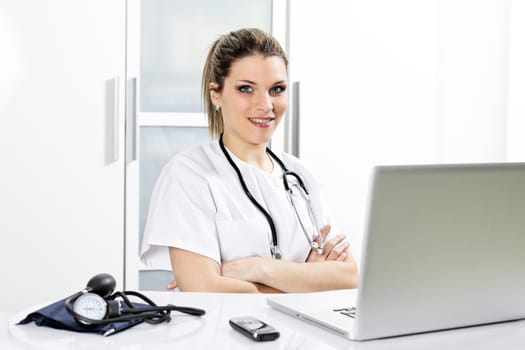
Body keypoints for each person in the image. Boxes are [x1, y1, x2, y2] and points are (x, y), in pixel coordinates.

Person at [141, 28, 358, 293]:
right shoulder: (189, 174)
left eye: (276, 89)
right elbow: (205, 290)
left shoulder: (300, 175)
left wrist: (258, 268)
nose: (265, 105)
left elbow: (349, 277)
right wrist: (309, 278)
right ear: (215, 94)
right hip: (221, 333)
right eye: (246, 89)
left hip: (302, 334)